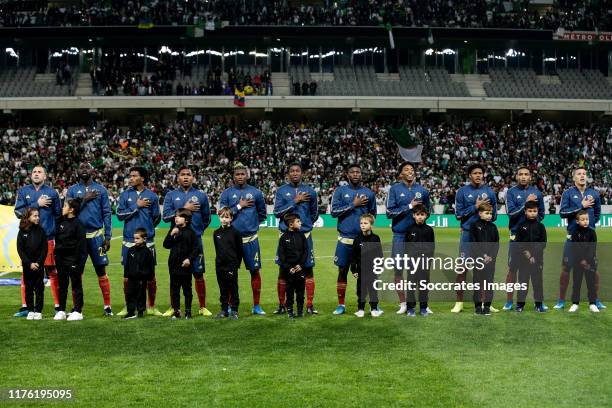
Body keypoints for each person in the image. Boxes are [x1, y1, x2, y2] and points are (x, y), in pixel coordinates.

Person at [162, 166, 212, 317]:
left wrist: (198, 232)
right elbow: (165, 217)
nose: (185, 177)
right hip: (177, 241)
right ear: (178, 177)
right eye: (182, 174)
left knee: (198, 273)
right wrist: (185, 208)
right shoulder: (170, 195)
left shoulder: (201, 196)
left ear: (193, 178)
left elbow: (207, 218)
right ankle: (174, 307)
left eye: (188, 175)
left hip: (195, 241)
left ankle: (202, 307)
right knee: (175, 276)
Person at [219, 163, 267, 315]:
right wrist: (239, 206)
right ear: (233, 177)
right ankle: (230, 306)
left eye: (242, 174)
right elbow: (223, 214)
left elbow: (262, 214)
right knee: (230, 274)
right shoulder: (226, 194)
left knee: (255, 271)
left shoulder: (256, 193)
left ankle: (257, 305)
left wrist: (252, 225)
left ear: (247, 175)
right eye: (237, 174)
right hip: (232, 242)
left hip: (251, 240)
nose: (240, 176)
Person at [65, 162, 113, 316]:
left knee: (101, 270)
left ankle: (107, 306)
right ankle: (76, 307)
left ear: (92, 170)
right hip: (77, 238)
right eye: (81, 167)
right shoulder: (72, 190)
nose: (84, 169)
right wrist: (84, 198)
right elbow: (68, 211)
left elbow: (107, 213)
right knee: (76, 273)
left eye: (87, 167)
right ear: (77, 170)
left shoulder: (101, 190)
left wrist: (108, 236)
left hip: (97, 237)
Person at [14, 166, 61, 317]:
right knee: (26, 273)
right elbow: (18, 212)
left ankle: (57, 305)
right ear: (30, 175)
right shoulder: (23, 191)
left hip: (47, 238)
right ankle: (26, 307)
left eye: (39, 172)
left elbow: (58, 215)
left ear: (45, 176)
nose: (36, 174)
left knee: (52, 272)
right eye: (34, 171)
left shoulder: (53, 193)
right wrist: (36, 204)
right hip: (28, 239)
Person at [331, 163, 377, 315]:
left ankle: (371, 304)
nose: (356, 174)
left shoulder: (369, 193)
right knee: (342, 271)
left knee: (368, 274)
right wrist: (353, 204)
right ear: (347, 175)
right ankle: (341, 305)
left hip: (364, 241)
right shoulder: (340, 191)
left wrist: (367, 226)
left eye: (358, 172)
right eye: (352, 172)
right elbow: (334, 212)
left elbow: (373, 215)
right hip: (345, 239)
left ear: (361, 175)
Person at [273, 162, 318, 315]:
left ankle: (310, 305)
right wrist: (295, 201)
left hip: (304, 235)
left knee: (308, 269)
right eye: (292, 171)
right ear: (288, 174)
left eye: (297, 170)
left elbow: (314, 214)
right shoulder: (281, 191)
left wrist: (304, 225)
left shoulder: (311, 191)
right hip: (286, 236)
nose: (295, 173)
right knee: (283, 270)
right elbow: (277, 213)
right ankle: (282, 305)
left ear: (302, 173)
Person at [556, 167, 604, 310]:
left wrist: (589, 228)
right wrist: (580, 206)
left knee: (593, 269)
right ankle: (561, 300)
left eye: (584, 174)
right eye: (579, 174)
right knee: (566, 268)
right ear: (574, 177)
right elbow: (563, 213)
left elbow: (597, 214)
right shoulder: (568, 193)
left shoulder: (594, 194)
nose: (582, 176)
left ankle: (595, 299)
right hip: (572, 238)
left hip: (589, 239)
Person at [116, 167, 162, 317]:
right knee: (127, 276)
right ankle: (128, 305)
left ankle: (152, 306)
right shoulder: (125, 195)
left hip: (147, 242)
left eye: (134, 176)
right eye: (130, 176)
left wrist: (147, 229)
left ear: (142, 178)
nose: (131, 178)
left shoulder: (152, 196)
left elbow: (156, 217)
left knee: (150, 276)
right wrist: (137, 205)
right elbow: (120, 215)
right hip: (129, 241)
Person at [385, 161, 430, 314]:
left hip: (418, 237)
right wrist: (409, 207)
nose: (410, 171)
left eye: (412, 169)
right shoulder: (394, 189)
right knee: (399, 270)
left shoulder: (422, 191)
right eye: (406, 169)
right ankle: (403, 303)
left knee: (420, 270)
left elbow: (427, 212)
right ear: (401, 174)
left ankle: (424, 303)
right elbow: (389, 213)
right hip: (399, 236)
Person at [452, 163, 497, 313]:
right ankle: (459, 302)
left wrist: (485, 212)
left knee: (484, 269)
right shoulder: (462, 192)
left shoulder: (489, 192)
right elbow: (458, 214)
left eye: (480, 173)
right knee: (462, 268)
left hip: (483, 235)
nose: (478, 175)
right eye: (475, 173)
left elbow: (495, 215)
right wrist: (476, 207)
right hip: (467, 235)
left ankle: (485, 303)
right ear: (469, 175)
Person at [503, 166, 546, 311]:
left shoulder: (537, 193)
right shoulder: (511, 192)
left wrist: (532, 226)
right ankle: (509, 301)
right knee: (512, 269)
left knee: (536, 271)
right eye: (520, 174)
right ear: (516, 176)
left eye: (526, 174)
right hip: (516, 238)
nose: (523, 176)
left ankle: (538, 302)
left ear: (530, 177)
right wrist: (525, 203)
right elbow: (511, 214)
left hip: (533, 240)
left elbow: (541, 215)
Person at [54, 198, 86, 321]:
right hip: (60, 259)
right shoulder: (60, 222)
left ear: (71, 209)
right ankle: (61, 310)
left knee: (76, 285)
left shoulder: (78, 224)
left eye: (65, 206)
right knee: (62, 285)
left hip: (73, 260)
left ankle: (78, 311)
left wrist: (77, 262)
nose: (63, 208)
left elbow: (81, 245)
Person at [163, 208, 199, 319]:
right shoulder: (174, 230)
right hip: (173, 265)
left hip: (186, 266)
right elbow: (166, 245)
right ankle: (176, 311)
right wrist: (171, 234)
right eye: (175, 216)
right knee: (175, 290)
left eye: (179, 216)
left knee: (187, 289)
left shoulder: (191, 233)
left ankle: (188, 311)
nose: (176, 218)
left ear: (186, 220)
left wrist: (189, 259)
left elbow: (196, 249)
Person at [514, 201, 547, 313]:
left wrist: (533, 255)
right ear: (525, 212)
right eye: (530, 211)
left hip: (537, 260)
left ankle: (538, 304)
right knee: (523, 283)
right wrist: (527, 254)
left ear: (537, 212)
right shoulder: (521, 226)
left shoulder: (541, 226)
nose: (532, 213)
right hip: (523, 261)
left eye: (535, 211)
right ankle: (520, 304)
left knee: (538, 283)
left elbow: (543, 243)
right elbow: (518, 243)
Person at [16, 208, 47, 320]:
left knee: (39, 288)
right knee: (28, 288)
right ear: (28, 217)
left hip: (39, 265)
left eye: (38, 215)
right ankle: (30, 310)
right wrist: (29, 263)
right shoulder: (22, 231)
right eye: (35, 216)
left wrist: (38, 263)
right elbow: (20, 249)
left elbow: (44, 249)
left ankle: (38, 311)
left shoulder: (41, 231)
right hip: (27, 265)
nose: (37, 218)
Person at [469, 202, 500, 316]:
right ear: (480, 213)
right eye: (487, 213)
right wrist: (483, 256)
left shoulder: (493, 227)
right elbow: (473, 243)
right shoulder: (474, 225)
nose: (489, 215)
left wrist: (490, 257)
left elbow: (496, 244)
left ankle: (487, 306)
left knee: (489, 284)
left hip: (490, 261)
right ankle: (478, 306)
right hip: (478, 260)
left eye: (491, 213)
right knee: (477, 283)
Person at [404, 204, 435, 317]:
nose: (420, 217)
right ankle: (410, 308)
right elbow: (406, 247)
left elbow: (432, 247)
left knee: (423, 286)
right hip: (412, 263)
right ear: (413, 216)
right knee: (411, 286)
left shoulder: (429, 230)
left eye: (422, 215)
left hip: (424, 263)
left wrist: (429, 262)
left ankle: (423, 307)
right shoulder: (409, 230)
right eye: (418, 215)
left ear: (426, 215)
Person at [350, 214, 383, 317]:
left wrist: (380, 267)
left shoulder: (376, 238)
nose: (362, 225)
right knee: (361, 290)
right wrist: (354, 270)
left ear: (371, 225)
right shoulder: (357, 239)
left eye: (365, 223)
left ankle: (374, 308)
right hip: (361, 270)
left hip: (373, 270)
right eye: (361, 223)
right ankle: (360, 309)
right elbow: (354, 256)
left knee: (373, 289)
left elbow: (379, 255)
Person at [213, 207, 242, 320]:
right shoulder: (216, 233)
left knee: (233, 288)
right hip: (220, 266)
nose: (224, 219)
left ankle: (234, 310)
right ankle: (224, 310)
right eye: (222, 217)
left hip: (231, 265)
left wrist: (235, 264)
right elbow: (217, 249)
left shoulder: (235, 233)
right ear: (219, 218)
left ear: (231, 218)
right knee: (222, 288)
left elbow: (239, 251)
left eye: (227, 217)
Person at [277, 213, 308, 319]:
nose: (300, 223)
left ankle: (300, 310)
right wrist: (288, 267)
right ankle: (290, 310)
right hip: (289, 270)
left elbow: (305, 252)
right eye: (298, 221)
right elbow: (281, 255)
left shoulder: (302, 235)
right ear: (291, 224)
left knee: (300, 291)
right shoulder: (283, 238)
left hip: (300, 269)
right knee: (289, 291)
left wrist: (301, 265)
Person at [568, 210, 599, 313]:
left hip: (590, 263)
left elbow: (592, 248)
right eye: (583, 219)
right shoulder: (575, 233)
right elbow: (575, 248)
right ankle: (575, 303)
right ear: (577, 221)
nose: (585, 221)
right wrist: (581, 260)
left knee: (591, 283)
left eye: (587, 219)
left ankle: (593, 303)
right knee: (577, 283)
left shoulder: (592, 232)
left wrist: (587, 261)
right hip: (578, 263)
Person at [123, 228, 155, 319]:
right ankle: (131, 312)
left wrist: (149, 276)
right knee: (130, 294)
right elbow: (127, 264)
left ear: (144, 239)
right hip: (131, 278)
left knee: (141, 294)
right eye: (134, 238)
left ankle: (140, 311)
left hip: (142, 278)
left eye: (137, 238)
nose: (135, 240)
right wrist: (126, 275)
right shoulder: (131, 250)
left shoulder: (147, 252)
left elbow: (151, 266)